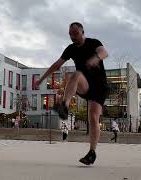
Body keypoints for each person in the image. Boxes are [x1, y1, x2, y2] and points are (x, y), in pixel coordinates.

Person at [35, 22, 109, 165]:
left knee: (93, 118)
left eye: (75, 33)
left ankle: (92, 153)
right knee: (74, 75)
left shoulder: (93, 42)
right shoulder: (70, 49)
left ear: (82, 32)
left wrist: (96, 58)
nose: (73, 37)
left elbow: (104, 52)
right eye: (70, 34)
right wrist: (41, 79)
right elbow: (56, 65)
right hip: (85, 85)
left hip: (100, 87)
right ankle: (65, 105)